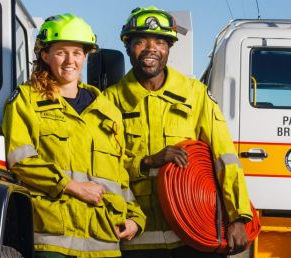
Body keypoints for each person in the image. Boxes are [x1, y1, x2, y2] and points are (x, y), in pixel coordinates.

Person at [103, 6, 253, 258]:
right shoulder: (110, 101)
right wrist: (148, 161)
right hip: (138, 238)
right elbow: (105, 166)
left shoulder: (194, 94)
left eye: (160, 42)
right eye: (140, 41)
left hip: (193, 235)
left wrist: (237, 216)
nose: (151, 48)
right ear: (128, 47)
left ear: (169, 48)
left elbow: (224, 157)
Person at [2, 13, 145, 258]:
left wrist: (135, 217)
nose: (70, 60)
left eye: (77, 53)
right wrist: (73, 187)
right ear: (45, 56)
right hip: (53, 240)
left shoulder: (107, 110)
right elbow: (21, 160)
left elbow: (119, 174)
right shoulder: (26, 100)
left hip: (104, 239)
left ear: (86, 57)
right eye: (61, 52)